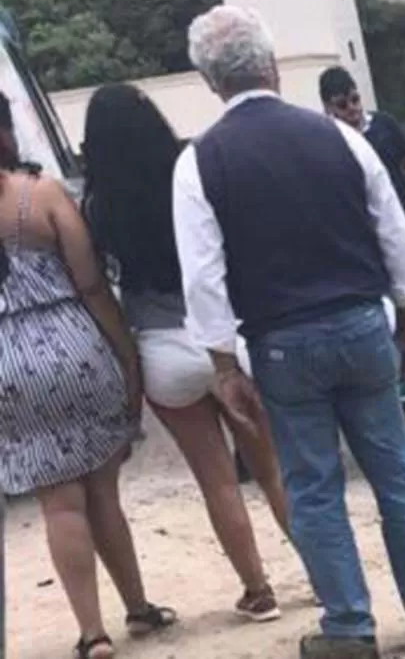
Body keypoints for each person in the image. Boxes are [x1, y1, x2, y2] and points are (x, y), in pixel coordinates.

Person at [173, 6, 405, 658]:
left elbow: (204, 278)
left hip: (280, 342)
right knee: (396, 471)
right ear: (272, 67)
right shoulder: (341, 138)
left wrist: (223, 368)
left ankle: (350, 626)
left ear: (210, 82)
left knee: (313, 486)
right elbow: (396, 240)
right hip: (362, 324)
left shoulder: (200, 164)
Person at [83, 84, 291, 625]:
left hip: (160, 350)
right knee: (271, 469)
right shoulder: (188, 169)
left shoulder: (100, 204)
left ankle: (257, 589)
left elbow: (99, 282)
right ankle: (320, 569)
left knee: (215, 479)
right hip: (221, 334)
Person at [0, 93, 177, 659]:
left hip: (8, 362)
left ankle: (93, 632)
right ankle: (138, 606)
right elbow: (92, 283)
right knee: (102, 489)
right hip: (73, 342)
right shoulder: (43, 195)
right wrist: (125, 355)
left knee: (60, 503)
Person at [320, 67, 405, 327]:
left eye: (355, 100)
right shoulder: (328, 139)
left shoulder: (383, 124)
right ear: (328, 108)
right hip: (364, 233)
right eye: (342, 105)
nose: (352, 109)